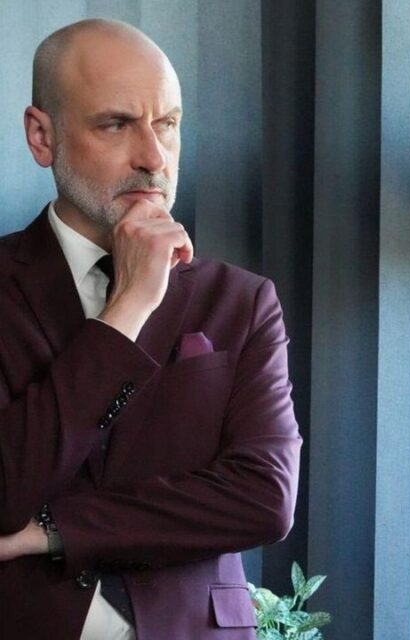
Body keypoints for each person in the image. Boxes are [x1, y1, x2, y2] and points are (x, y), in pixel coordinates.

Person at [0, 19, 301, 640]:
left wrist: (55, 530)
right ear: (42, 136)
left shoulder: (242, 300)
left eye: (166, 123)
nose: (154, 158)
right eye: (116, 124)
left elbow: (264, 499)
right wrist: (128, 308)